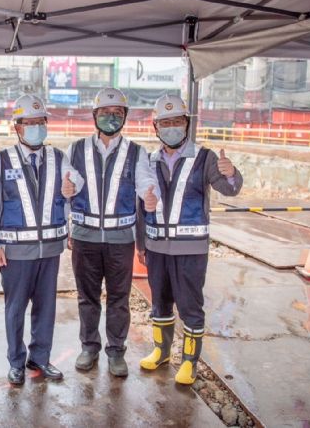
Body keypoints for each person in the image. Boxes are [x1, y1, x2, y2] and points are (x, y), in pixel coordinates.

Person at [139, 94, 242, 385]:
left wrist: (231, 174)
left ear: (186, 123)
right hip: (157, 248)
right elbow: (140, 205)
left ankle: (189, 362)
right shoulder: (149, 161)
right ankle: (161, 351)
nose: (171, 127)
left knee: (190, 306)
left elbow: (230, 189)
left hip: (191, 250)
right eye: (165, 122)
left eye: (177, 121)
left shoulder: (205, 158)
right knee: (160, 303)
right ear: (155, 127)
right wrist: (141, 245)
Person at [0, 94, 83, 385]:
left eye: (39, 122)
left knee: (46, 308)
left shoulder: (58, 157)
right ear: (17, 127)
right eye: (28, 123)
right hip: (15, 251)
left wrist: (71, 186)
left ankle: (40, 358)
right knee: (15, 308)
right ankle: (16, 361)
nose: (35, 127)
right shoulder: (1, 160)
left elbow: (75, 180)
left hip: (50, 250)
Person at [67, 87, 159, 377]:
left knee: (119, 298)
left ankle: (116, 351)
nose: (111, 117)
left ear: (125, 117)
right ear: (95, 116)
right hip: (85, 237)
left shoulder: (136, 152)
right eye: (105, 113)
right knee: (87, 297)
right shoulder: (76, 149)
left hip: (120, 240)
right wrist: (68, 221)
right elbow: (69, 186)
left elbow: (145, 182)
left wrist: (150, 195)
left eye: (117, 113)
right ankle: (89, 347)